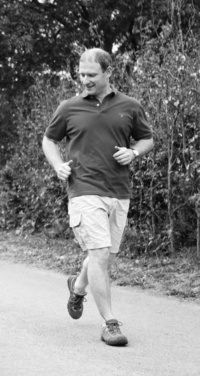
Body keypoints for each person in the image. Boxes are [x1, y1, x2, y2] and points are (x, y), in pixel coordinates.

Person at [42, 48, 154, 346]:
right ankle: (110, 323)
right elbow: (50, 139)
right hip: (83, 189)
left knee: (104, 256)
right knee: (100, 255)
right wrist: (57, 164)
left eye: (91, 75)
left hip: (119, 191)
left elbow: (146, 138)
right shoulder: (69, 107)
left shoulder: (130, 106)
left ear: (108, 73)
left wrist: (134, 152)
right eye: (81, 75)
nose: (85, 80)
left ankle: (78, 287)